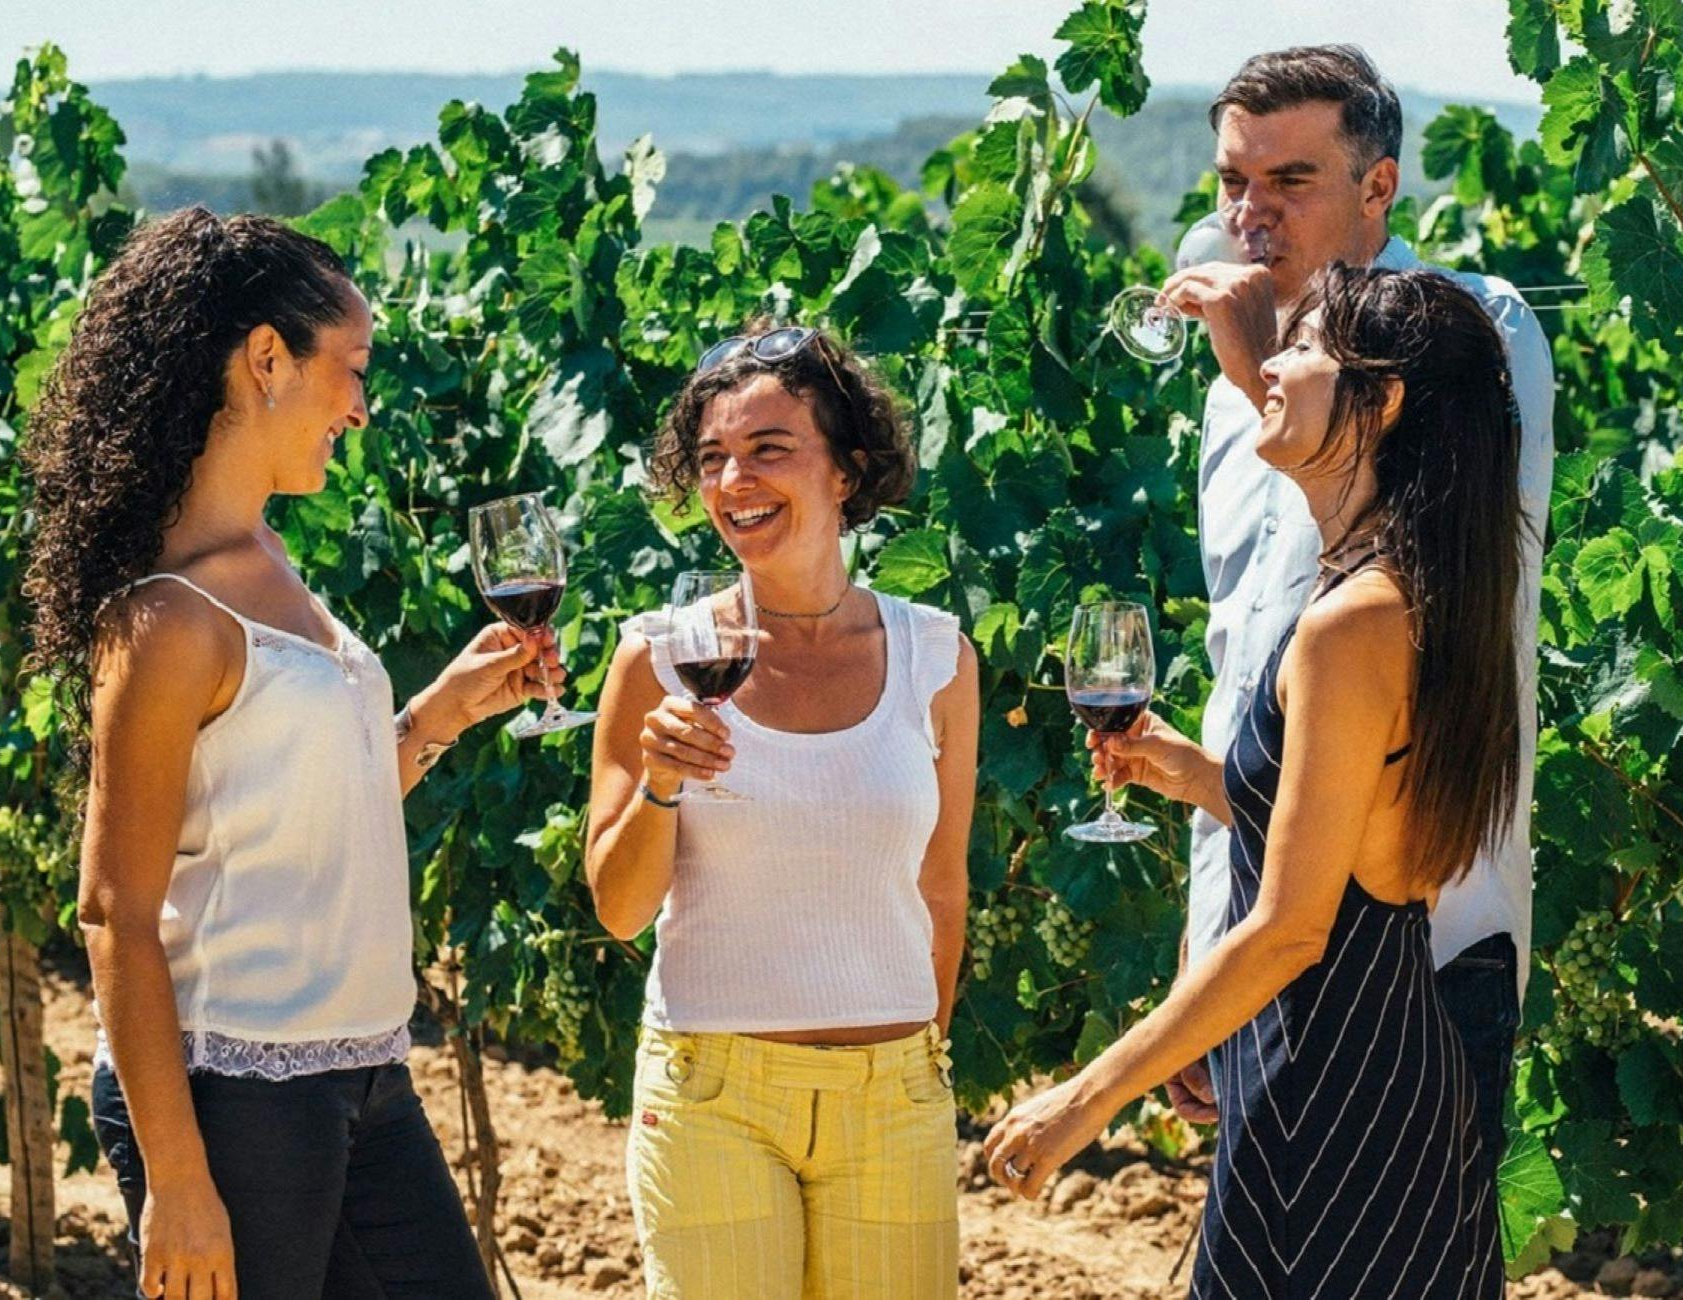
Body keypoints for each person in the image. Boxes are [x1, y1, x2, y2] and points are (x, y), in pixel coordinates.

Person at [23, 206, 557, 1299]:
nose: (360, 409)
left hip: (362, 1071)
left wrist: (438, 718)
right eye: (349, 368)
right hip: (234, 1092)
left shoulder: (265, 555)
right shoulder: (169, 618)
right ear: (266, 358)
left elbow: (302, 813)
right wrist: (177, 1179)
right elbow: (114, 908)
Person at [988, 263, 1524, 1295]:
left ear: (1386, 397)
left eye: (1303, 347)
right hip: (1384, 1077)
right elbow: (1371, 841)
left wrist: (1087, 1097)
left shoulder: (1349, 622)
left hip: (1328, 1093)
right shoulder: (1411, 588)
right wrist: (1200, 774)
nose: (1268, 365)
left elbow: (1292, 927)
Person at [1117, 45, 1555, 1171]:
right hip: (1261, 925)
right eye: (1231, 183)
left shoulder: (1474, 332)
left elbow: (1415, 566)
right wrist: (1205, 949)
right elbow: (1241, 677)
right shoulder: (1242, 392)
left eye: (1289, 182)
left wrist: (1263, 369)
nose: (1248, 214)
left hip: (1419, 935)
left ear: (1379, 188)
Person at [585, 323, 978, 1299]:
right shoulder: (657, 657)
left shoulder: (938, 659)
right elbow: (619, 907)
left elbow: (941, 885)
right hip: (712, 1093)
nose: (733, 482)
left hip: (894, 1095)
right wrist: (661, 783)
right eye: (712, 458)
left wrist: (918, 1061)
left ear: (847, 468)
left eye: (768, 450)